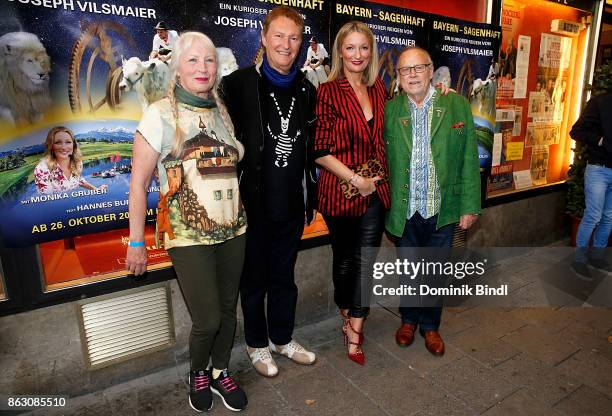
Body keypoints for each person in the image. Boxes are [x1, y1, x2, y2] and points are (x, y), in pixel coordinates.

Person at [126, 32, 248, 412]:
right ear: (176, 68)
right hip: (186, 235)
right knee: (208, 318)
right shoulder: (157, 113)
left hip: (234, 230)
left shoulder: (221, 110)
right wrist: (135, 242)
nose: (203, 68)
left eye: (209, 61)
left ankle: (220, 371)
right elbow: (138, 183)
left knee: (229, 311)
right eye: (193, 60)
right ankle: (198, 371)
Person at [220, 6, 318, 378]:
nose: (286, 44)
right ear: (263, 38)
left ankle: (282, 339)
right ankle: (257, 345)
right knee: (254, 280)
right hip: (251, 204)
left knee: (284, 278)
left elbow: (311, 148)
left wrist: (312, 195)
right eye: (278, 35)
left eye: (294, 38)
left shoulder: (308, 89)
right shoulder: (238, 84)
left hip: (291, 204)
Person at [384, 46, 481, 356]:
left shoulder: (456, 105)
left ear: (430, 71)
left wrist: (469, 205)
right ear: (398, 78)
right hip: (406, 208)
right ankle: (409, 320)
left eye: (418, 68)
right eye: (405, 70)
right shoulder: (390, 110)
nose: (412, 74)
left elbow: (468, 157)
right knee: (410, 271)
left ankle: (430, 326)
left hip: (442, 209)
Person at [314, 21, 391, 366]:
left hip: (375, 191)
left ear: (371, 51)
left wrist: (439, 94)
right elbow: (320, 149)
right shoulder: (328, 92)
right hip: (339, 191)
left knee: (366, 261)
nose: (358, 55)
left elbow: (402, 120)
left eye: (364, 48)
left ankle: (356, 327)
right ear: (340, 51)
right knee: (344, 259)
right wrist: (354, 179)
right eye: (350, 47)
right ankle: (346, 310)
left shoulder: (381, 89)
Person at [570, 91, 612, 280]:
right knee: (593, 216)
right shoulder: (600, 102)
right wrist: (600, 140)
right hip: (598, 169)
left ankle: (596, 257)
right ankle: (578, 260)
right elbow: (576, 131)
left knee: (609, 217)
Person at [34, 126, 107, 194]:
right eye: (57, 143)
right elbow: (47, 203)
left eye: (68, 142)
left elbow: (78, 180)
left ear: (73, 145)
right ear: (51, 146)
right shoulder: (42, 169)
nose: (64, 147)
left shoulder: (77, 163)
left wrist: (96, 190)